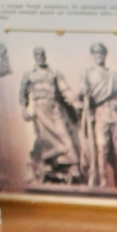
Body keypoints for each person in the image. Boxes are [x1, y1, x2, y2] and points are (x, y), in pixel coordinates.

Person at [20, 47, 81, 184]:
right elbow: (23, 93)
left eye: (42, 54)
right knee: (44, 139)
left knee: (64, 136)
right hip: (40, 110)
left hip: (54, 109)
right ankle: (48, 162)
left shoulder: (54, 73)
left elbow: (65, 89)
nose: (40, 57)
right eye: (37, 54)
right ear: (34, 57)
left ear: (45, 56)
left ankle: (71, 164)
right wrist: (24, 110)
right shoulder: (29, 74)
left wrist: (74, 102)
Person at [77, 42, 117, 187]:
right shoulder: (87, 74)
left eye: (101, 53)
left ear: (105, 55)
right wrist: (84, 92)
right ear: (92, 55)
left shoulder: (114, 76)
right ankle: (103, 179)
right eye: (96, 53)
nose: (98, 55)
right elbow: (80, 94)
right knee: (102, 148)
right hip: (100, 115)